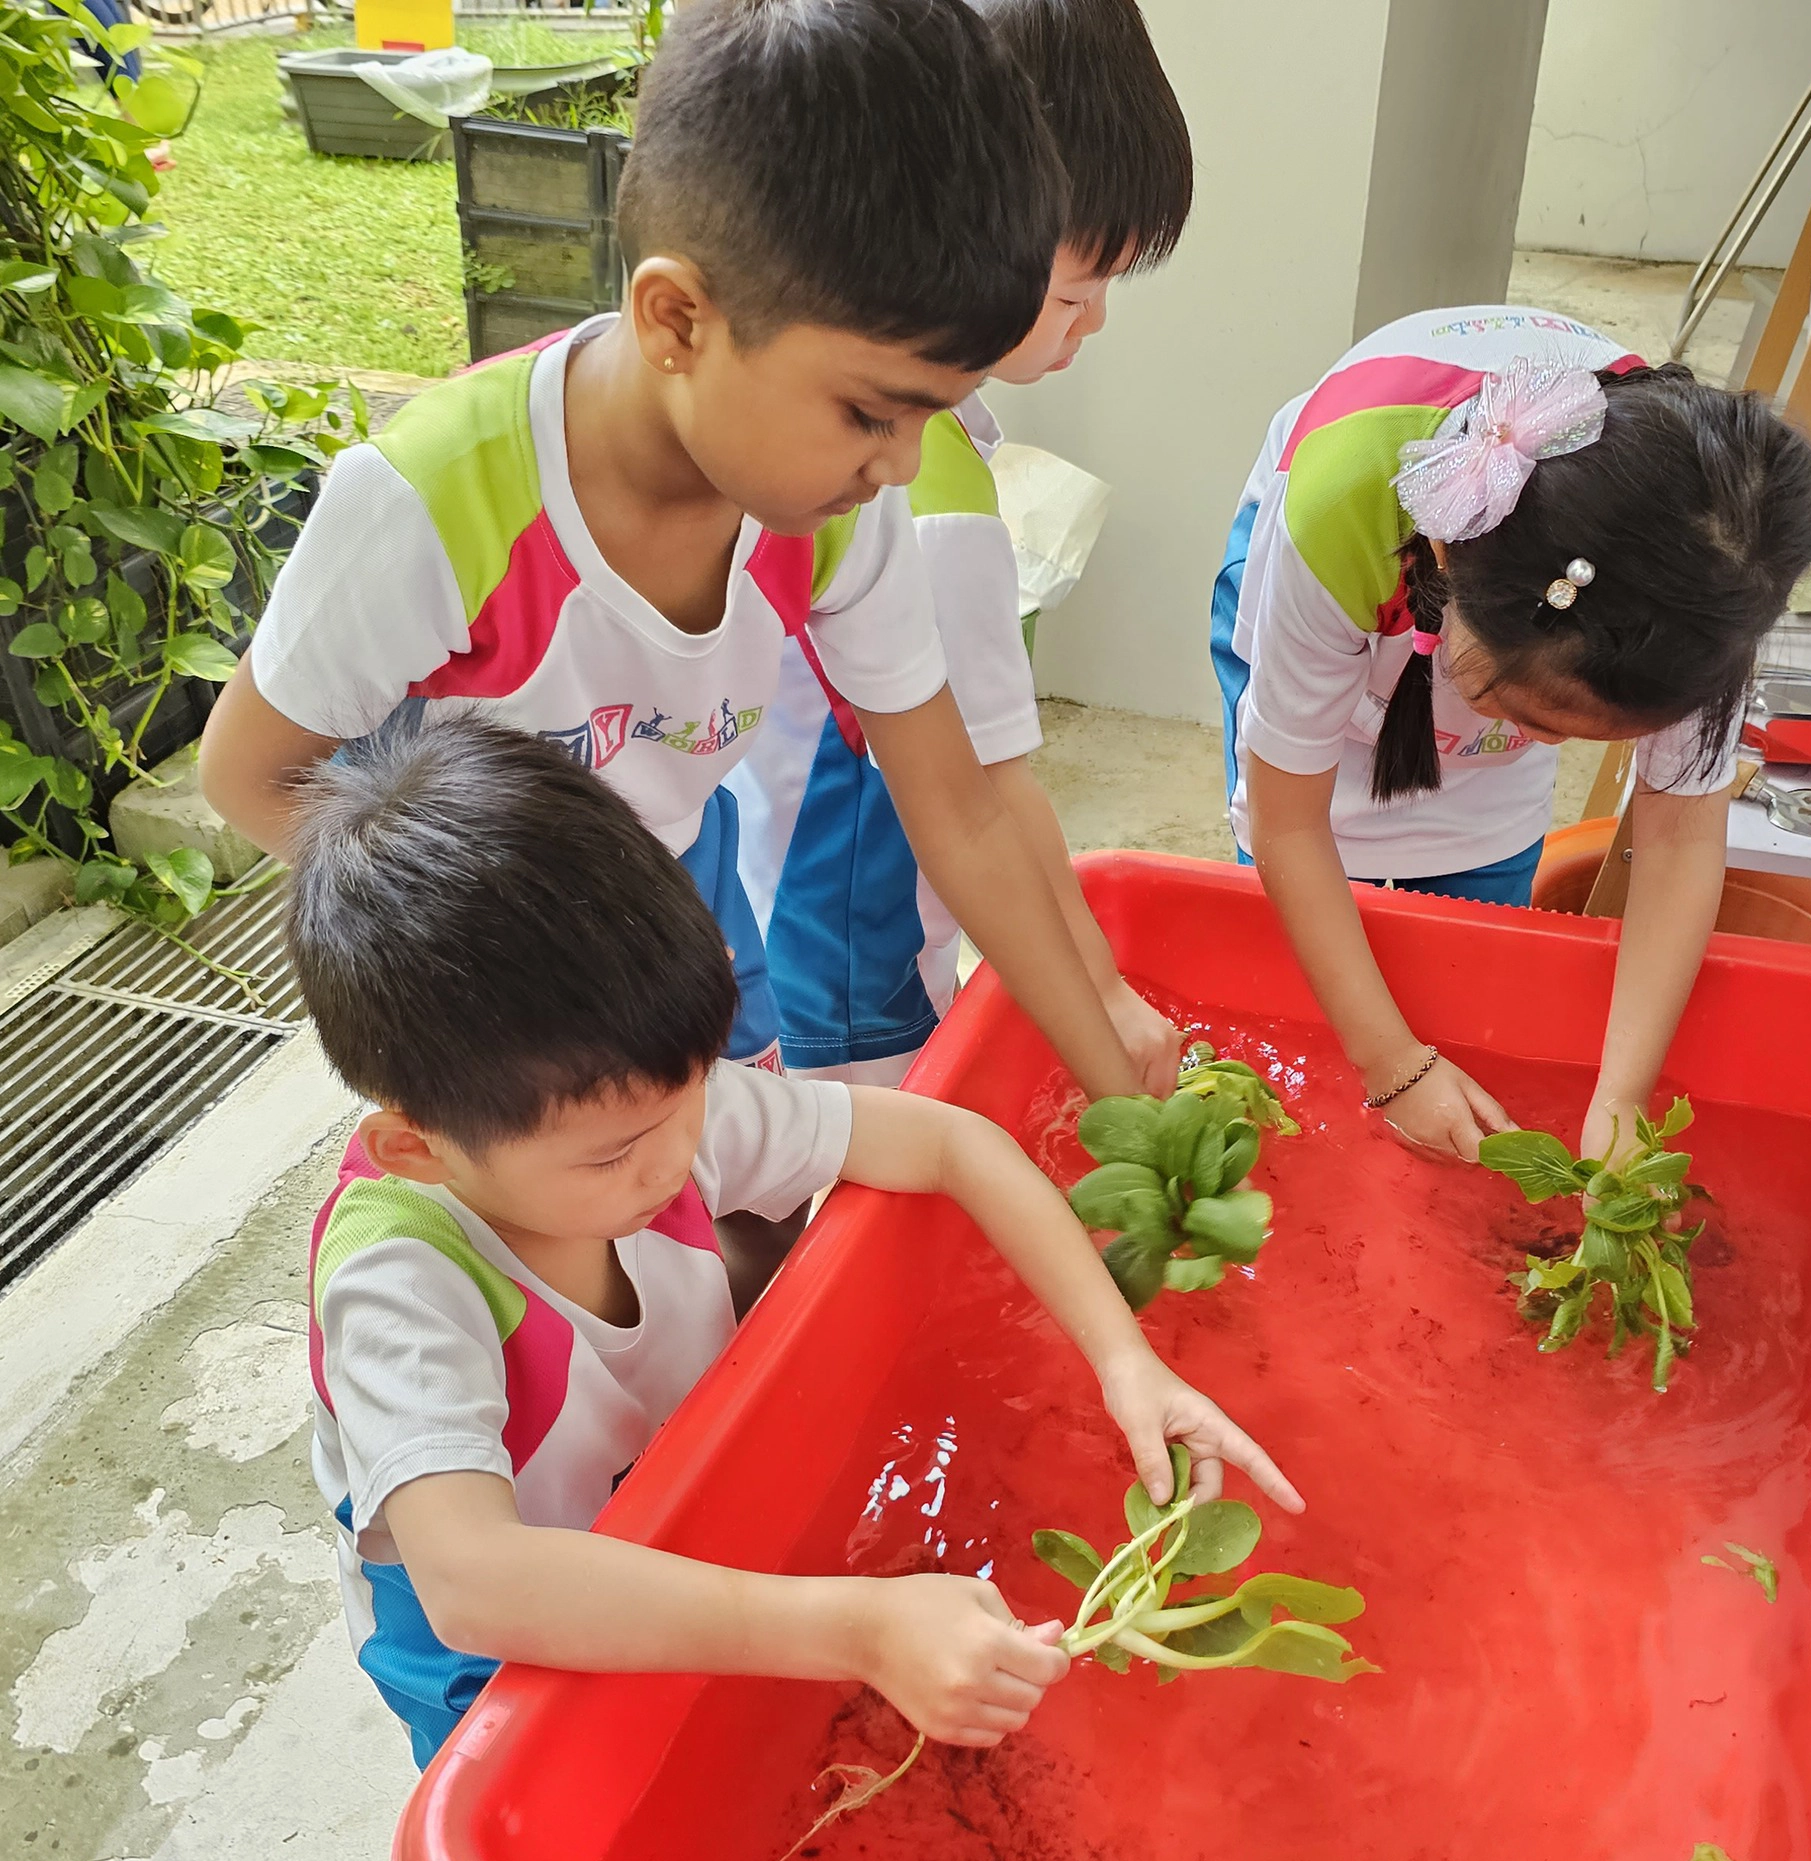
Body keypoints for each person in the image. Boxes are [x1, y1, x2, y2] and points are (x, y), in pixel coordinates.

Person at [197, 0, 1165, 1310]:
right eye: (870, 413)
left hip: (680, 891)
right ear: (677, 320)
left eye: (928, 418)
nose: (898, 466)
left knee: (741, 1203)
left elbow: (965, 810)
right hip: (500, 969)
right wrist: (471, 962)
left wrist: (1119, 1097)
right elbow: (247, 774)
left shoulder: (841, 514)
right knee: (553, 1268)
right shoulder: (435, 504)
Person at [290, 717, 1301, 1772]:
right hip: (494, 1667)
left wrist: (1125, 1361)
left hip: (666, 1506)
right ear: (417, 1147)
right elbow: (477, 1585)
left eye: (688, 1095)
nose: (674, 1163)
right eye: (615, 1154)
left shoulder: (647, 1109)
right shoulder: (400, 1281)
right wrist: (858, 1629)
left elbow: (952, 1144)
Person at [1213, 304, 1811, 1163]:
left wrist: (1621, 1098)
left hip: (1512, 619)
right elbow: (1287, 825)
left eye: (1578, 736)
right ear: (1448, 563)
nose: (1545, 747)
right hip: (1352, 573)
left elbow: (1682, 835)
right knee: (1303, 952)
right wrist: (1392, 1065)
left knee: (1478, 909)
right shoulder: (1336, 514)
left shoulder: (1697, 600)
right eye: (1529, 716)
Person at [732, 0, 1192, 1088]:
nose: (1094, 322)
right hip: (856, 952)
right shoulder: (926, 496)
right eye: (1078, 292)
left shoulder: (852, 431)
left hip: (784, 910)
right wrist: (1101, 995)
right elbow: (987, 798)